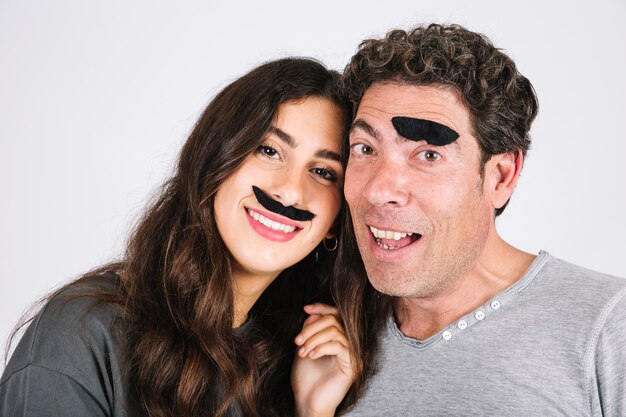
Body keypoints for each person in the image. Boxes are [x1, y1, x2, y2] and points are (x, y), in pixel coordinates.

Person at [0, 58, 355, 417]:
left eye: (324, 172)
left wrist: (312, 411)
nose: (291, 192)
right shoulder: (85, 335)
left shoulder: (292, 366)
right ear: (215, 159)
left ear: (336, 223)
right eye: (269, 150)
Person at [332, 24, 626, 416]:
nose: (379, 190)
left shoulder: (608, 326)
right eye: (365, 148)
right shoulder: (331, 337)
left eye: (428, 155)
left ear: (501, 177)